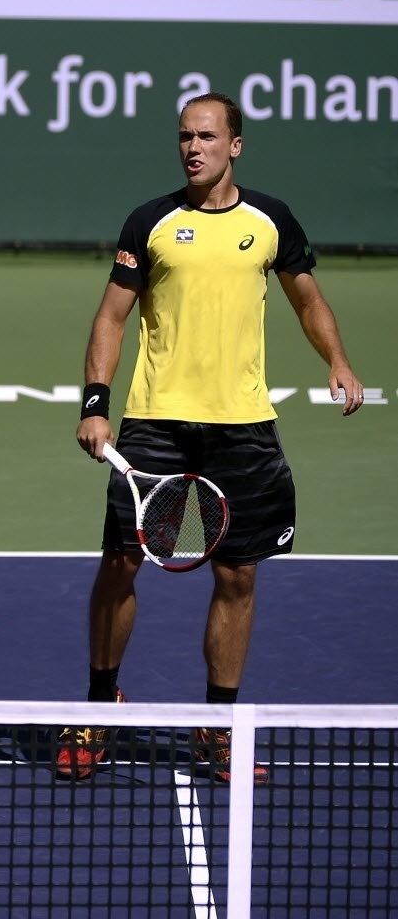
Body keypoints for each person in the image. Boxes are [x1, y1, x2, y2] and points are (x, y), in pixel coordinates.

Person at [57, 92, 364, 785]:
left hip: (242, 428)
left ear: (234, 145)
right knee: (120, 566)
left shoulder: (269, 221)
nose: (191, 148)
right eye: (182, 137)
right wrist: (96, 404)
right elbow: (111, 317)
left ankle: (218, 727)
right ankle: (99, 706)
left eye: (204, 137)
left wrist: (336, 361)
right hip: (156, 424)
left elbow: (307, 299)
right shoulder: (152, 221)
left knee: (237, 576)